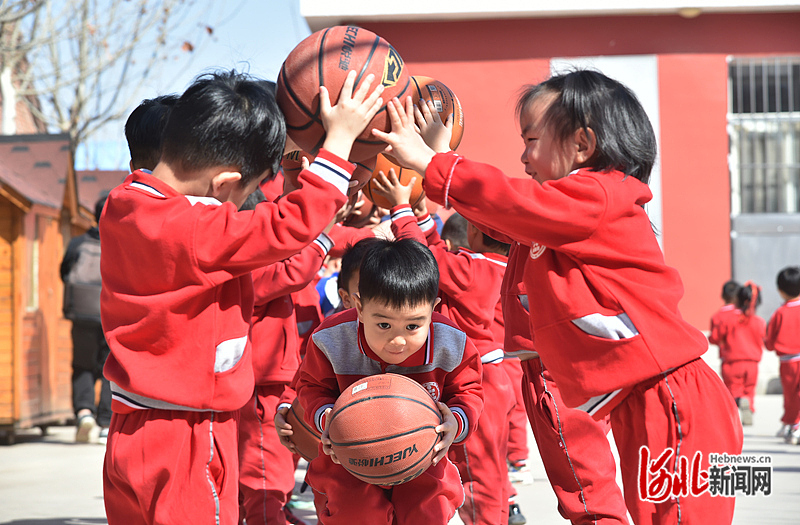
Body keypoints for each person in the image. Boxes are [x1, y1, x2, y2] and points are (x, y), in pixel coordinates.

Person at [375, 69, 743, 524]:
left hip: (673, 399)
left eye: (531, 140)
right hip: (643, 401)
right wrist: (442, 157)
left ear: (583, 146)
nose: (523, 156)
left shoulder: (600, 194)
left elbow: (514, 203)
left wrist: (435, 164)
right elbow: (507, 217)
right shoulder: (563, 220)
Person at [100, 68, 385, 525]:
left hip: (129, 425)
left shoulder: (122, 205)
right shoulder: (193, 229)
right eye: (246, 195)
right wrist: (340, 142)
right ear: (223, 184)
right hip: (189, 433)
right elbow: (287, 226)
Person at [295, 238, 484, 525]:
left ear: (433, 309)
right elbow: (311, 387)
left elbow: (468, 390)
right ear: (359, 307)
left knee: (427, 514)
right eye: (383, 324)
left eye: (413, 326)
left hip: (422, 456)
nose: (398, 340)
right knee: (355, 516)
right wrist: (327, 419)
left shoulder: (451, 341)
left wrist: (456, 422)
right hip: (349, 458)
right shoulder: (330, 340)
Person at [372, 173, 519, 525]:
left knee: (472, 473)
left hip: (477, 379)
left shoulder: (473, 269)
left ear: (474, 233)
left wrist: (401, 207)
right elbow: (440, 254)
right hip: (499, 376)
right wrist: (422, 214)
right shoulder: (496, 267)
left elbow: (425, 259)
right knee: (493, 470)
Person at [60, 194, 110, 443]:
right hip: (112, 314)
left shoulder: (78, 243)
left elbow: (64, 271)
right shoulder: (121, 243)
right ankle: (105, 423)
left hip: (81, 313)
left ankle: (84, 413)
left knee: (82, 365)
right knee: (110, 367)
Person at [709, 281, 764, 425]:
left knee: (733, 389)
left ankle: (737, 406)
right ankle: (749, 407)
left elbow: (715, 338)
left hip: (731, 361)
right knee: (750, 389)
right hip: (752, 362)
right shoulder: (758, 321)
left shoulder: (726, 319)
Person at [765, 266, 800, 444]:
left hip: (788, 361)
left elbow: (770, 342)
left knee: (791, 395)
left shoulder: (779, 313)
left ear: (780, 290)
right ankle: (793, 425)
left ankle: (792, 424)